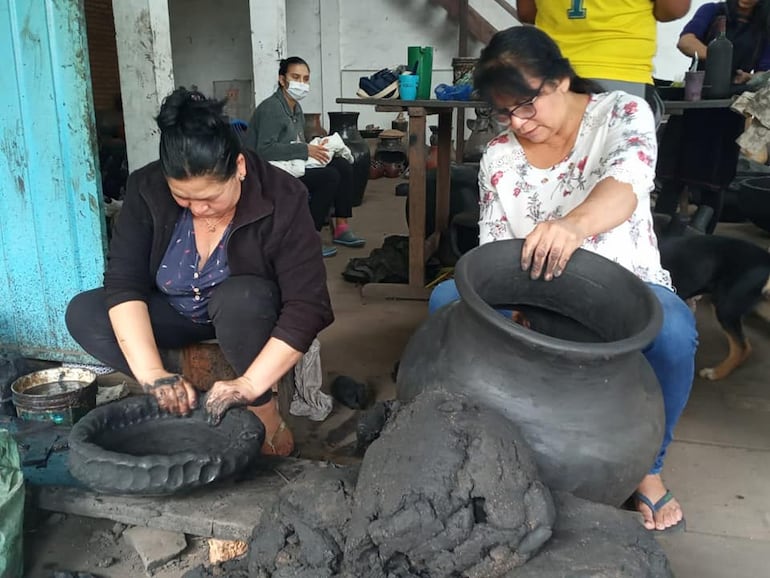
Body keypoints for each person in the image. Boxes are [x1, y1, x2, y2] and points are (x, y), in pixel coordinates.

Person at [429, 26, 697, 532]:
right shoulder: (500, 156)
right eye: (504, 112)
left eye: (526, 105)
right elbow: (494, 249)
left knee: (674, 335)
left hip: (623, 276)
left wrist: (572, 225)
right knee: (447, 303)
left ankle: (646, 468)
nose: (517, 122)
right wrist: (503, 304)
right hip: (531, 281)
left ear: (559, 79)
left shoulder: (621, 114)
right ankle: (481, 447)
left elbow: (626, 186)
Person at [65, 88, 334, 456]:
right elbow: (124, 283)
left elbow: (308, 305)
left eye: (209, 198)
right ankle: (188, 381)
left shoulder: (282, 197)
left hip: (248, 318)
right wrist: (153, 376)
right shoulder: (146, 188)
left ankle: (264, 411)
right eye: (183, 198)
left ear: (239, 168)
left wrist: (250, 385)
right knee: (85, 313)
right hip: (174, 312)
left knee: (242, 297)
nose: (198, 209)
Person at [655, 0, 770, 231]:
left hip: (729, 106)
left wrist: (749, 78)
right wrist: (718, 58)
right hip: (695, 99)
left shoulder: (764, 23)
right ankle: (658, 233)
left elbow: (764, 69)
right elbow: (686, 41)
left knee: (715, 180)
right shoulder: (713, 11)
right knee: (673, 174)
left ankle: (703, 238)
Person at [246, 56, 365, 258]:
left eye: (305, 78)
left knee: (342, 165)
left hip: (288, 162)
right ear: (282, 80)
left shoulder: (295, 107)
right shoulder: (272, 109)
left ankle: (341, 227)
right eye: (295, 77)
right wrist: (306, 151)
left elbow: (296, 141)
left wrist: (317, 145)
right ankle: (307, 238)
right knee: (328, 177)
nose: (301, 83)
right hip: (267, 170)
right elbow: (264, 150)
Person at [515, 0, 692, 98]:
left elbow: (527, 11)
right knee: (622, 161)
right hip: (621, 73)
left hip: (550, 75)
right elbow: (674, 8)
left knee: (550, 161)